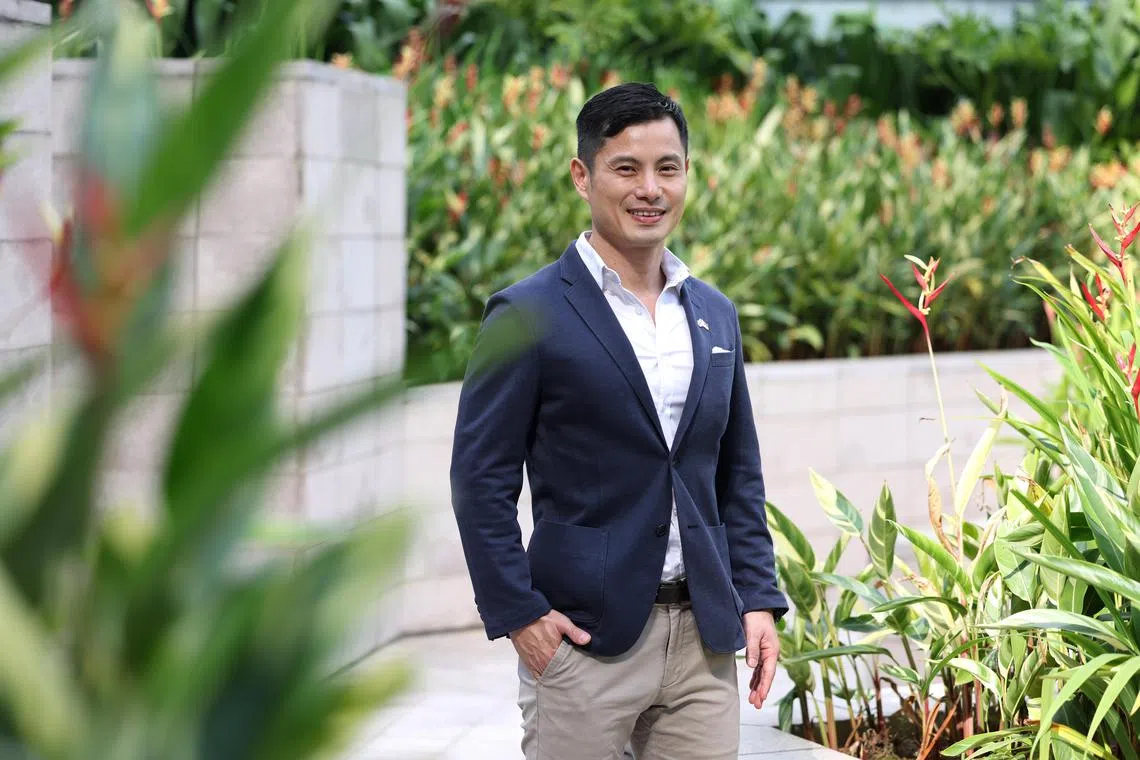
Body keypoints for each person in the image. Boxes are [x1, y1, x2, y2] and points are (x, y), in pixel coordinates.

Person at [449, 81, 788, 760]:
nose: (650, 189)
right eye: (626, 168)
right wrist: (520, 616)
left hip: (703, 640)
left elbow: (736, 473)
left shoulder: (714, 313)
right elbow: (480, 480)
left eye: (668, 168)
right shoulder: (527, 313)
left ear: (687, 174)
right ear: (583, 176)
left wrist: (757, 597)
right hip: (582, 642)